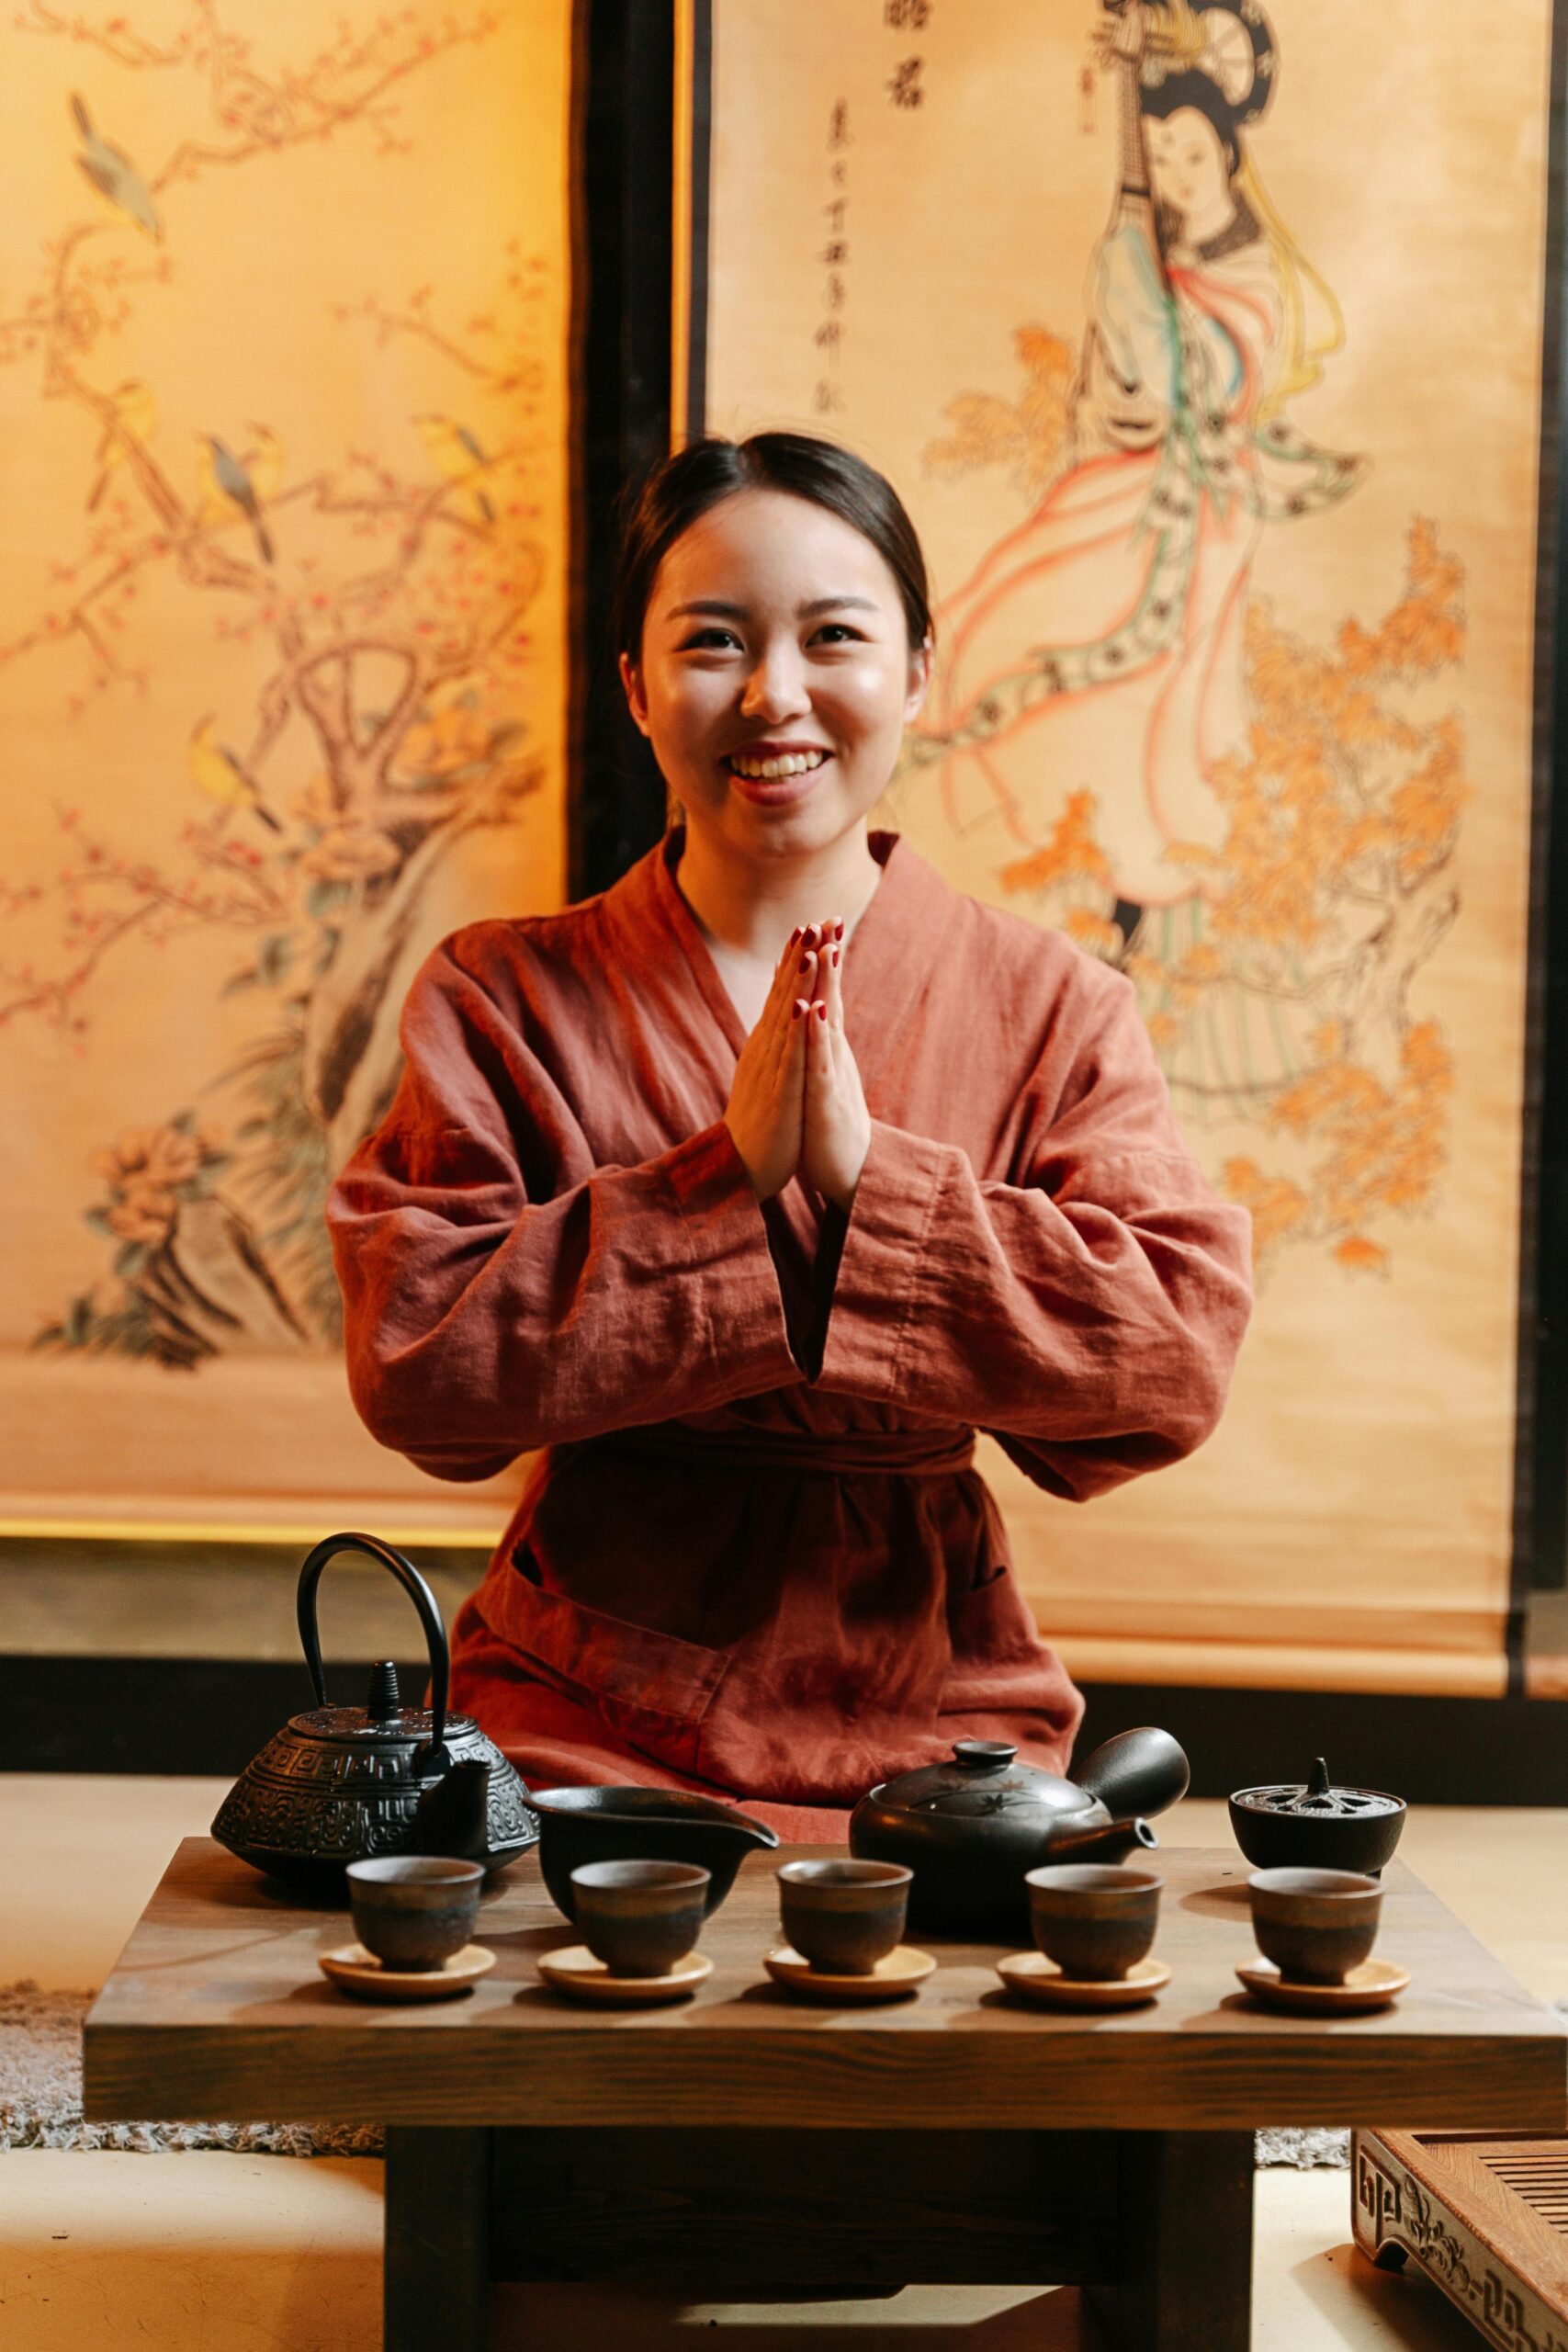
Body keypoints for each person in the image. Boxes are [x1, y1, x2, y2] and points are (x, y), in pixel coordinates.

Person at [327, 431, 1253, 1838]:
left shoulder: (1051, 1003)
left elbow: (1169, 1358)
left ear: (917, 673)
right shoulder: (499, 993)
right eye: (713, 642)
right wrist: (720, 1181)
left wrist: (867, 1179)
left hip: (943, 1707)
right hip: (578, 1703)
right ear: (635, 686)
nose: (773, 696)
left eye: (833, 636)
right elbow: (416, 1360)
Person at [925, 0, 1360, 951]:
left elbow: (1192, 372)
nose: (1175, 174)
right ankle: (1082, 894)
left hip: (1196, 513)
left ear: (1231, 158)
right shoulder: (1144, 254)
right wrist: (1115, 411)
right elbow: (1118, 366)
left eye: (1193, 155)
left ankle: (1137, 912)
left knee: (1162, 714)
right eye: (1158, 156)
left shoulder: (1247, 272)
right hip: (1123, 484)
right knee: (1015, 615)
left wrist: (1161, 398)